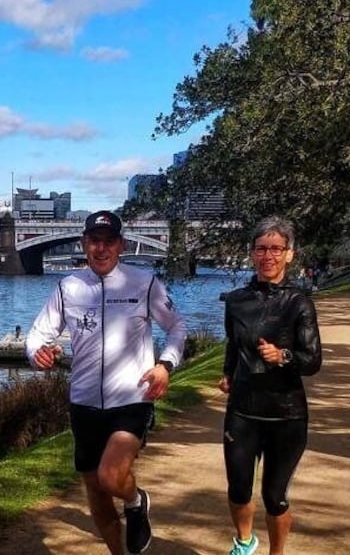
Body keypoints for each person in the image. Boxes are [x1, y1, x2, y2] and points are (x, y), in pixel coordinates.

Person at [26, 210, 186, 555]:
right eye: (94, 241)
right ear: (84, 243)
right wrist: (37, 352)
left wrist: (165, 365)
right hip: (83, 402)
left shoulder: (144, 283)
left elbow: (177, 327)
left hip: (132, 397)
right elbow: (39, 334)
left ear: (121, 245)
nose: (101, 249)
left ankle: (135, 499)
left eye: (108, 241)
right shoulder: (68, 287)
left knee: (111, 477)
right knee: (96, 495)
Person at [218, 216, 322, 555]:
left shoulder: (299, 303)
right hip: (243, 411)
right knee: (238, 489)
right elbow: (233, 345)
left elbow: (312, 361)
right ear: (252, 254)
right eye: (262, 248)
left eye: (277, 249)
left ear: (290, 254)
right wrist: (227, 372)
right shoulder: (235, 300)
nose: (269, 256)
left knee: (274, 498)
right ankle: (244, 542)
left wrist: (283, 355)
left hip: (286, 414)